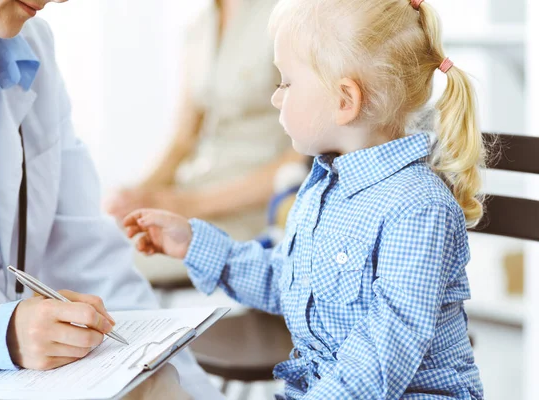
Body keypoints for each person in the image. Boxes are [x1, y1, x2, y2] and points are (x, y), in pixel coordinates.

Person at [123, 0, 486, 398]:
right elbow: (287, 283)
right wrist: (193, 243)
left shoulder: (417, 208)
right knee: (155, 386)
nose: (277, 98)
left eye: (286, 82)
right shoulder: (322, 190)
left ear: (345, 100)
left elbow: (380, 362)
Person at [0, 1, 220, 398]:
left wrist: (182, 381)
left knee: (157, 387)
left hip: (0, 379)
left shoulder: (28, 52)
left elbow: (88, 256)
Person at [104, 0, 302, 284]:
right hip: (195, 195)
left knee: (111, 261)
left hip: (256, 210)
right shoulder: (198, 28)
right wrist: (140, 194)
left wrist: (192, 204)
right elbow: (184, 139)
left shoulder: (290, 14)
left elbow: (304, 157)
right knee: (94, 244)